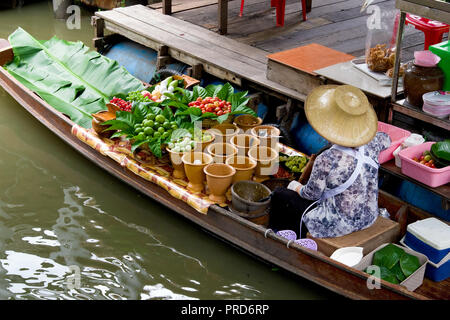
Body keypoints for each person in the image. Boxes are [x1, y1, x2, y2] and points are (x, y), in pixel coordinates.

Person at [269, 85, 391, 239]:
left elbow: (311, 194)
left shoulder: (327, 158)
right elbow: (387, 139)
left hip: (338, 224)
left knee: (280, 195)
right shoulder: (374, 142)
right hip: (368, 216)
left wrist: (296, 186)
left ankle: (288, 238)